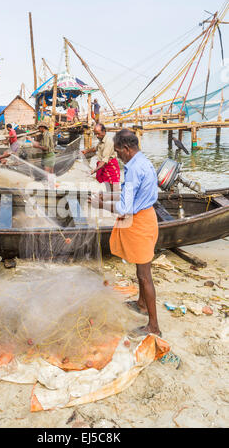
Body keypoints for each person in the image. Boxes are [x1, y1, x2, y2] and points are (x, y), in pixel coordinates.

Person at [89, 129, 161, 337]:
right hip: (147, 217)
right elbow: (131, 199)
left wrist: (100, 205)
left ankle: (154, 326)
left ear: (127, 149)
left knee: (144, 275)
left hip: (140, 223)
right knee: (141, 271)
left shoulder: (131, 170)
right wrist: (105, 200)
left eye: (119, 151)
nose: (117, 155)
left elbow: (125, 209)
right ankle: (141, 304)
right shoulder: (143, 162)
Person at [82, 123, 120, 192]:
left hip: (110, 166)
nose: (97, 136)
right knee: (106, 185)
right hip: (103, 166)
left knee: (113, 186)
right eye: (95, 134)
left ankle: (114, 200)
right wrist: (86, 151)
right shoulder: (101, 140)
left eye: (98, 133)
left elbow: (104, 160)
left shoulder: (108, 142)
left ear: (104, 131)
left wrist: (94, 170)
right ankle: (108, 199)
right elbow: (95, 148)